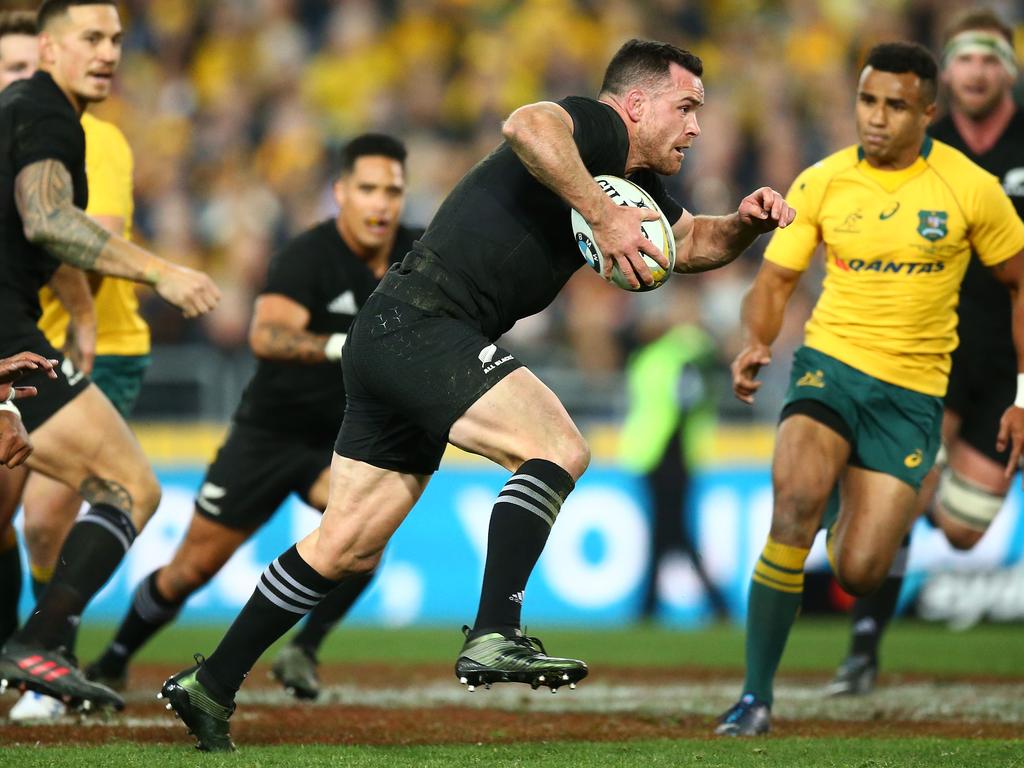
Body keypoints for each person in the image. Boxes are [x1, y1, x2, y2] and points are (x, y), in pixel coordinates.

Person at [159, 37, 795, 752]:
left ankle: (211, 683)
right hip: (428, 322)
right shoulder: (599, 126)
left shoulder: (635, 181)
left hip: (394, 329)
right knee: (556, 446)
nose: (697, 128)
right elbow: (527, 124)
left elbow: (691, 243)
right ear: (638, 103)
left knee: (345, 542)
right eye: (686, 108)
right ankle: (496, 630)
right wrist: (599, 210)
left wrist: (745, 224)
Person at [718, 41, 1024, 737]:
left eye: (894, 105)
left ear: (927, 112)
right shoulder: (822, 181)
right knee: (791, 503)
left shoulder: (970, 188)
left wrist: (1023, 395)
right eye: (866, 101)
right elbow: (775, 281)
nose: (876, 118)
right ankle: (754, 698)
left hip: (914, 396)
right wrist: (758, 341)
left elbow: (1019, 281)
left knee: (858, 571)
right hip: (829, 367)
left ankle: (844, 497)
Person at [84, 133, 422, 702]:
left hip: (340, 439)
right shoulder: (305, 257)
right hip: (269, 435)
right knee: (190, 570)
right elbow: (265, 335)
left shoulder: (419, 254)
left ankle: (303, 650)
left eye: (392, 190)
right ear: (340, 192)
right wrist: (345, 346)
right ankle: (112, 659)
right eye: (368, 189)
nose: (381, 204)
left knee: (367, 537)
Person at [0, 0, 219, 712]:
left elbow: (34, 232)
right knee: (130, 486)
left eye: (118, 39)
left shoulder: (20, 110)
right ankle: (40, 640)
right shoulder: (48, 112)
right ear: (50, 49)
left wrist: (84, 311)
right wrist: (162, 271)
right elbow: (48, 219)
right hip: (7, 335)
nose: (108, 52)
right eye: (90, 38)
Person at [827, 8, 1024, 697]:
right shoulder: (920, 142)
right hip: (929, 351)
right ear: (948, 75)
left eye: (991, 59)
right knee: (905, 492)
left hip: (1010, 361)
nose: (978, 71)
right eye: (966, 60)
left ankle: (881, 492)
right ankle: (863, 645)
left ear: (1009, 70)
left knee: (965, 531)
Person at [618, 286, 728, 620]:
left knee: (670, 532)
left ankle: (654, 607)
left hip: (669, 455)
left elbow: (685, 403)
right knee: (671, 532)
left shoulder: (686, 352)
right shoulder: (664, 353)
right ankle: (700, 604)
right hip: (656, 455)